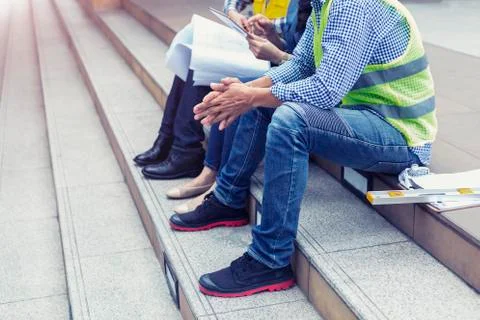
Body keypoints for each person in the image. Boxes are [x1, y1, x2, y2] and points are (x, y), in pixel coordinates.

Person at [169, 0, 438, 298]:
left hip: (398, 135)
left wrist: (250, 96)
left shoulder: (353, 4)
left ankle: (270, 259)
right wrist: (245, 91)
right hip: (360, 116)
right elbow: (301, 65)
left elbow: (326, 90)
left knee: (289, 118)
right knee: (260, 96)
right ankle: (228, 199)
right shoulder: (325, 4)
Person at [167, 0, 313, 214]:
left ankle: (222, 185)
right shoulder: (311, 8)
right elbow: (297, 55)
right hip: (277, 61)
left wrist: (275, 56)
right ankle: (207, 170)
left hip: (304, 82)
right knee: (234, 85)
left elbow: (313, 71)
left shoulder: (335, 8)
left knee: (246, 95)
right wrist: (268, 32)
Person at [133, 0, 300, 183]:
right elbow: (233, 2)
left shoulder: (314, 8)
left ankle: (185, 150)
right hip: (259, 45)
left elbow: (295, 37)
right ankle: (167, 138)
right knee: (195, 48)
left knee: (204, 63)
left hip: (276, 58)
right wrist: (233, 13)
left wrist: (269, 30)